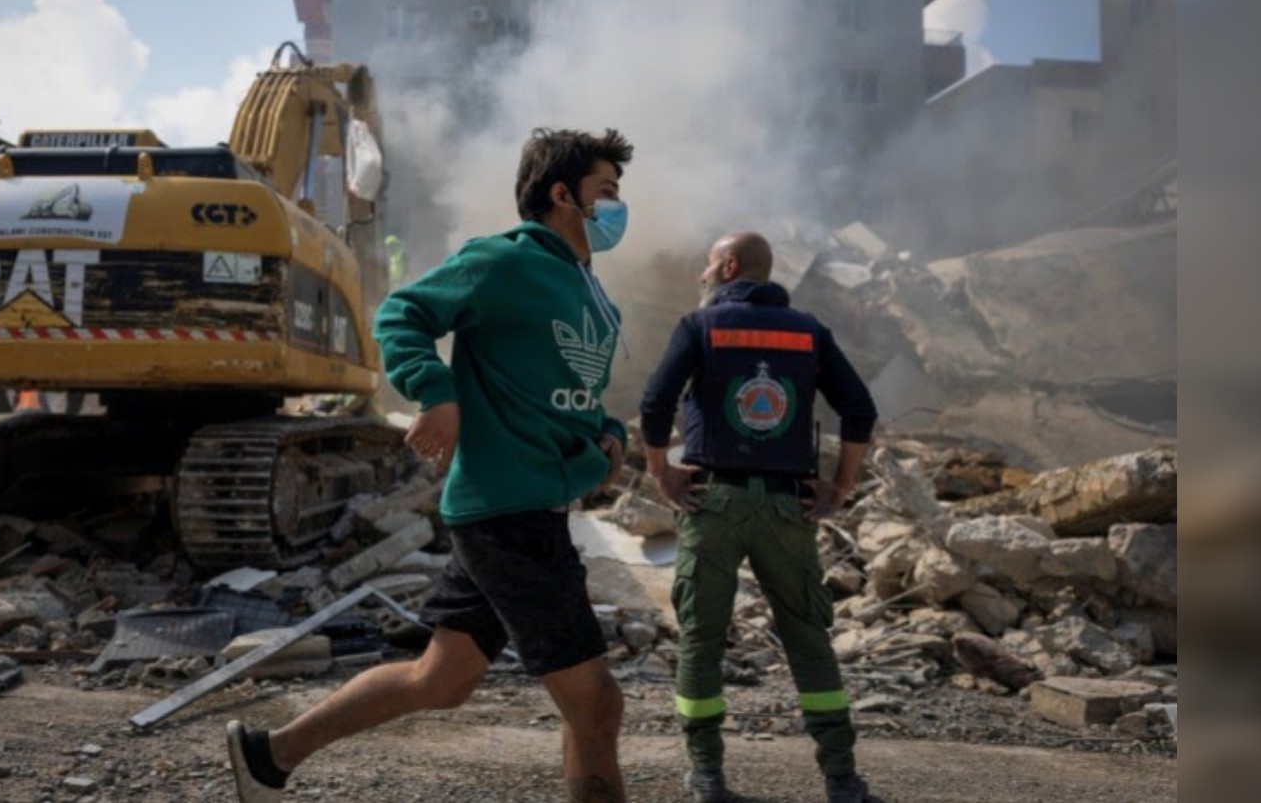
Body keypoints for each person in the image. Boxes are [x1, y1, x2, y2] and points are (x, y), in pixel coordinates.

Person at [227, 128, 637, 803]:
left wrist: (608, 432)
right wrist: (437, 391)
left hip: (524, 510)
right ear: (564, 195)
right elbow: (403, 313)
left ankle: (267, 756)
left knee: (439, 681)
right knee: (595, 705)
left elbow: (571, 394)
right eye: (607, 192)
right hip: (511, 514)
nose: (619, 207)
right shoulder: (502, 263)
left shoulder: (593, 294)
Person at [638, 232, 883, 803]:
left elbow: (654, 404)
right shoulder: (809, 330)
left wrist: (662, 473)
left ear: (727, 267)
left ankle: (707, 778)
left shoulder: (699, 326)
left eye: (707, 266)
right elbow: (860, 409)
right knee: (808, 640)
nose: (702, 276)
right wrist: (841, 485)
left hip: (713, 502)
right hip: (786, 508)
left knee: (701, 639)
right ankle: (842, 780)